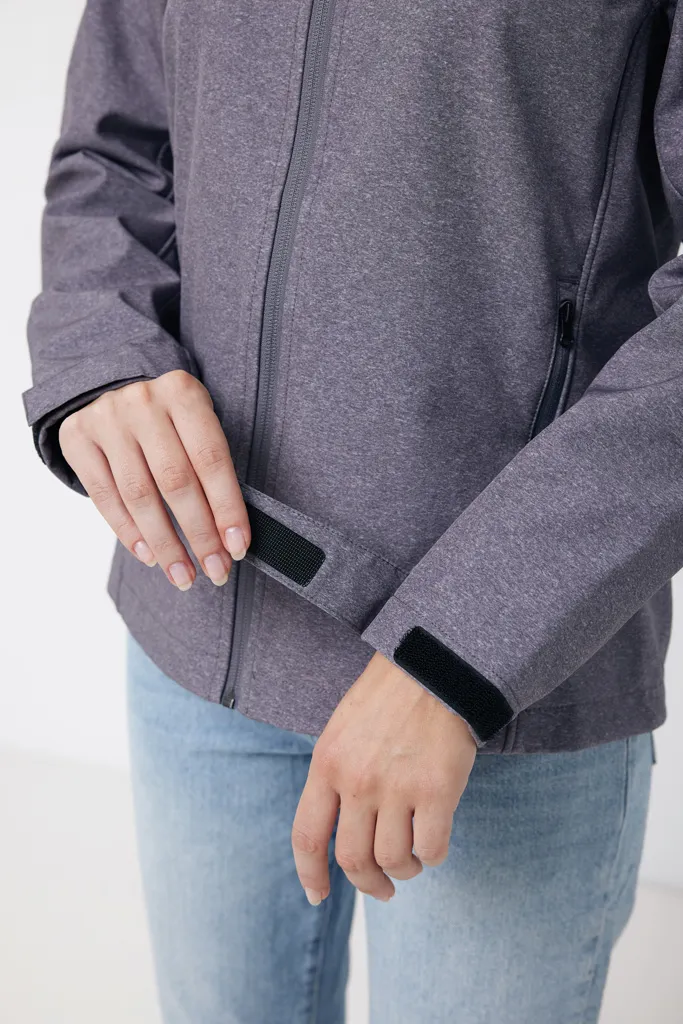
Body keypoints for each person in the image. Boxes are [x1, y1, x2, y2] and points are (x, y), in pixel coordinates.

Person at [22, 0, 679, 1020]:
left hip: (497, 696)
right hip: (201, 630)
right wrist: (102, 351)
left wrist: (460, 650)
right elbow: (115, 147)